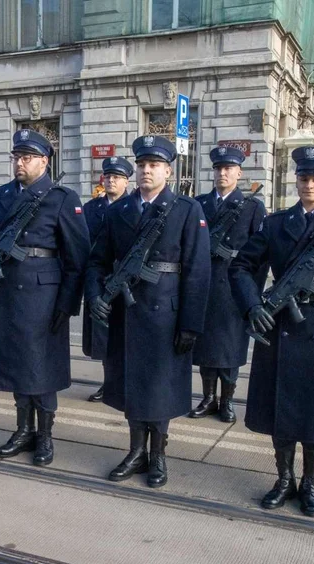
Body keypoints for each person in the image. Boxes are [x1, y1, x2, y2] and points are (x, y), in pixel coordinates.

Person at [229, 146, 314, 517]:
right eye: (303, 178)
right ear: (297, 180)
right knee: (282, 411)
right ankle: (284, 478)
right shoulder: (275, 224)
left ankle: (310, 483)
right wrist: (252, 305)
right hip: (281, 328)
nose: (309, 185)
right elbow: (241, 267)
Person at [86, 136, 210, 487]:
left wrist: (190, 323)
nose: (145, 170)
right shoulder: (118, 211)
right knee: (132, 386)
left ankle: (158, 456)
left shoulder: (186, 210)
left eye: (153, 165)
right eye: (141, 165)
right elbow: (96, 261)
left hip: (166, 313)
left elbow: (198, 271)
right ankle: (136, 450)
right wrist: (96, 294)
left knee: (159, 387)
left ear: (168, 170)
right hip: (127, 312)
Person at [0, 129, 90, 466]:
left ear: (45, 161)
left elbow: (78, 258)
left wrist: (67, 304)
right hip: (6, 293)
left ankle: (44, 435)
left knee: (41, 369)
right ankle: (22, 430)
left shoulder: (61, 198)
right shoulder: (0, 196)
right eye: (17, 156)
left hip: (43, 298)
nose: (20, 162)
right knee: (18, 365)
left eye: (28, 157)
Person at [189, 146, 265, 422]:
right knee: (205, 348)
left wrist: (251, 292)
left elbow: (260, 254)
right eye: (219, 169)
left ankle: (227, 400)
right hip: (204, 285)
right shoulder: (200, 204)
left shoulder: (252, 207)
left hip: (233, 289)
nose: (223, 173)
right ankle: (208, 398)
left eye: (229, 169)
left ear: (238, 173)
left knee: (231, 348)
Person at [82, 156, 132, 403]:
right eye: (108, 176)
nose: (111, 181)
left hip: (125, 280)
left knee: (124, 332)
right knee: (102, 337)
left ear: (126, 181)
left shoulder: (133, 206)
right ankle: (108, 382)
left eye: (117, 177)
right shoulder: (91, 208)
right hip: (99, 278)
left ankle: (124, 380)